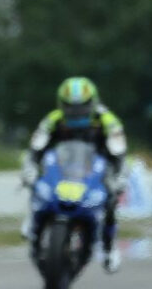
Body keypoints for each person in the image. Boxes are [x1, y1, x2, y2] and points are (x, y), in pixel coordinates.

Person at [20, 77, 128, 273]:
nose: (75, 112)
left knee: (111, 199)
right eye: (70, 107)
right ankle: (32, 219)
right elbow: (35, 148)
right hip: (62, 168)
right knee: (37, 185)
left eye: (81, 107)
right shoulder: (53, 119)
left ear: (92, 103)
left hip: (97, 169)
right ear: (61, 104)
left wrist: (119, 177)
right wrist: (30, 168)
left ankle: (109, 247)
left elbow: (119, 153)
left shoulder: (108, 121)